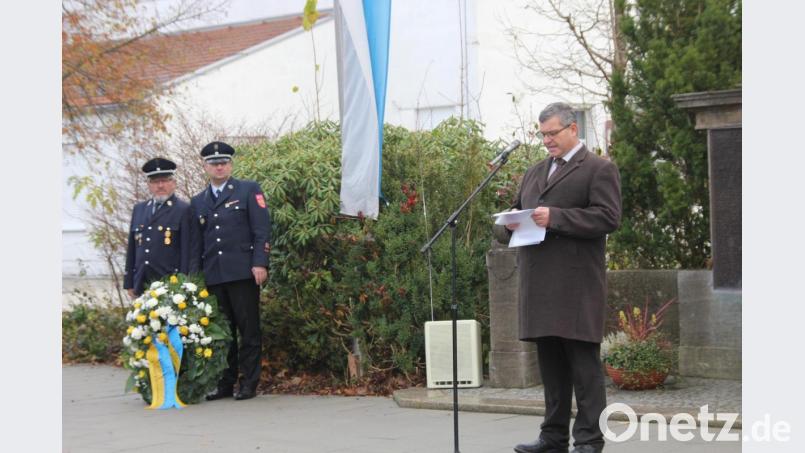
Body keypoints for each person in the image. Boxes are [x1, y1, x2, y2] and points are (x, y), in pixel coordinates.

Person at [502, 103, 621, 453]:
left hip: (577, 287)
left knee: (584, 370)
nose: (547, 141)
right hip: (538, 286)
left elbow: (608, 218)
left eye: (553, 133)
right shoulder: (534, 171)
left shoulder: (599, 169)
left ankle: (589, 440)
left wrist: (555, 217)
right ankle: (553, 438)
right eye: (543, 135)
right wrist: (506, 225)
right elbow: (516, 216)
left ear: (573, 128)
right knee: (552, 371)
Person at [191, 141, 271, 401]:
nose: (219, 167)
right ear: (205, 167)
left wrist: (260, 262)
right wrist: (195, 277)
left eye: (224, 162)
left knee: (248, 331)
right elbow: (197, 242)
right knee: (223, 333)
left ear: (231, 164)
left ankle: (248, 383)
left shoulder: (248, 190)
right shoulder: (199, 201)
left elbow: (261, 229)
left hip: (243, 273)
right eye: (214, 163)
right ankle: (225, 383)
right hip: (214, 276)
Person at [123, 157, 194, 298]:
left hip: (171, 283)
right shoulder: (140, 209)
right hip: (142, 282)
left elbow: (187, 252)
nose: (160, 186)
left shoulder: (183, 209)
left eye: (165, 180)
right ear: (149, 185)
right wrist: (129, 281)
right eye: (155, 181)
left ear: (173, 183)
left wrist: (185, 282)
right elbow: (132, 248)